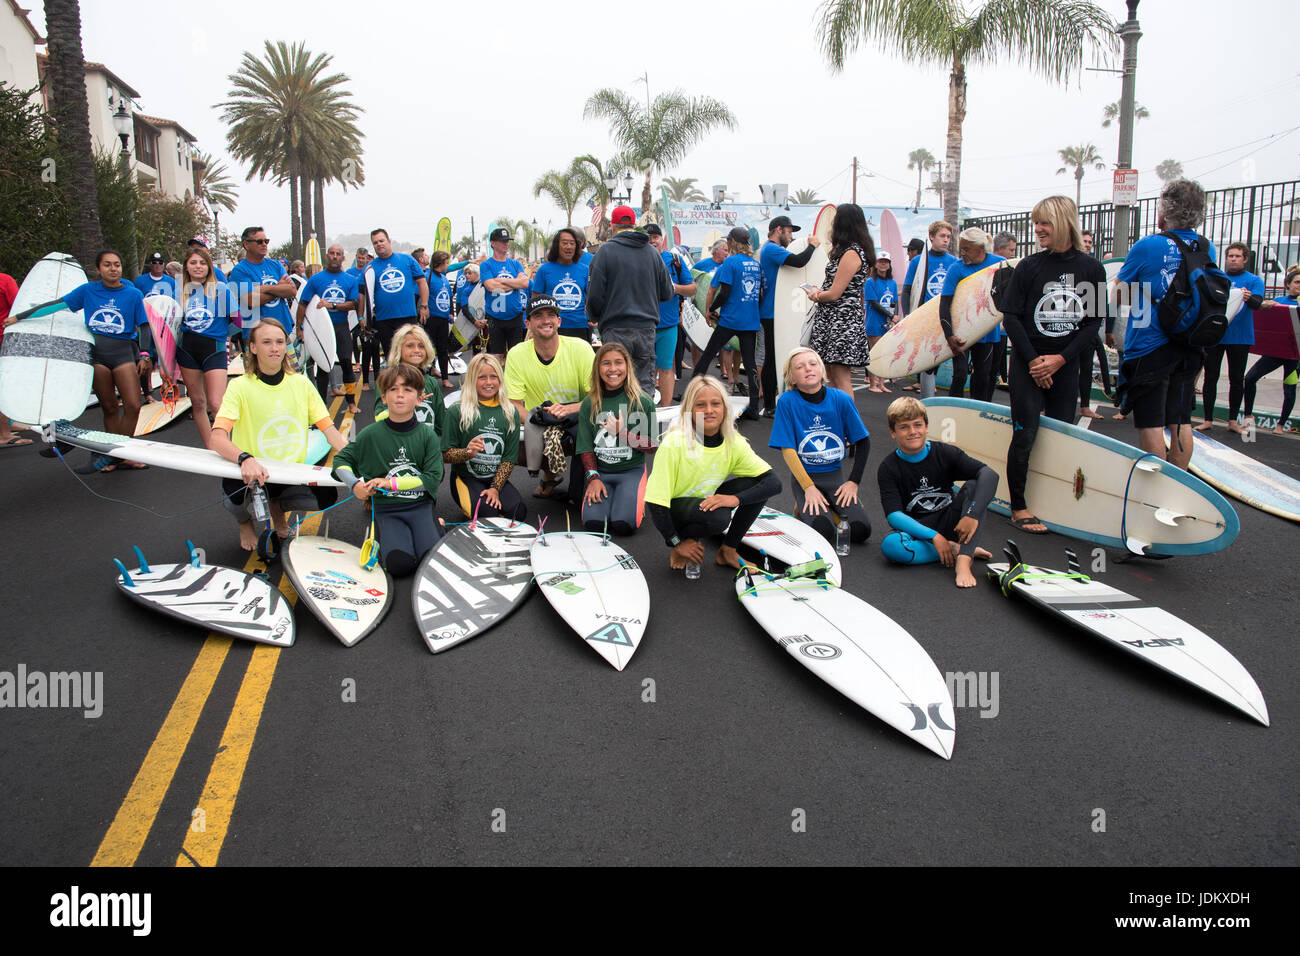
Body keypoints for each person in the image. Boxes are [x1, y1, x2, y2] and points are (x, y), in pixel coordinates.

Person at [1002, 195, 1106, 533]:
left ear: (1063, 222)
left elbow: (1093, 323)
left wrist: (1059, 360)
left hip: (1065, 365)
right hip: (1027, 362)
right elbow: (1011, 316)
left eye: (1044, 223)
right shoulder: (1029, 266)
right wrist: (1035, 362)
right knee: (1025, 432)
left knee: (1061, 437)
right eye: (1036, 223)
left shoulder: (1092, 268)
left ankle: (1053, 503)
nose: (1038, 229)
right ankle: (1019, 506)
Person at [210, 320, 347, 551]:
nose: (274, 348)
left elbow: (330, 432)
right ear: (253, 348)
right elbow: (216, 438)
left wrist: (360, 461)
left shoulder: (301, 383)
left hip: (288, 472)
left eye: (279, 342)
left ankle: (277, 508)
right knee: (233, 498)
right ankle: (244, 522)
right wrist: (245, 458)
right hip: (253, 474)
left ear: (286, 346)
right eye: (266, 342)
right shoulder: (240, 386)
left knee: (327, 496)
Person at [1113, 179, 1215, 469]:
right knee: (1181, 420)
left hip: (1150, 345)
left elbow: (1118, 294)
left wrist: (1148, 288)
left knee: (1151, 422)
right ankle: (1179, 482)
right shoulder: (1207, 247)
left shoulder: (1149, 245)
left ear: (1164, 210)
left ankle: (1157, 489)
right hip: (1190, 343)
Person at [645, 374, 780, 572]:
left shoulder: (733, 442)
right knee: (718, 517)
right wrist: (675, 542)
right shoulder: (674, 443)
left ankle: (728, 550)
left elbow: (774, 483)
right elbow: (655, 503)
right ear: (690, 411)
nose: (709, 410)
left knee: (757, 485)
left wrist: (734, 499)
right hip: (675, 510)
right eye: (701, 405)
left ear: (725, 408)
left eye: (715, 403)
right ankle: (685, 541)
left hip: (704, 503)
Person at [333, 362, 444, 577]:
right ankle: (388, 535)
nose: (400, 395)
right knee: (399, 565)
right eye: (393, 389)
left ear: (419, 398)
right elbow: (340, 461)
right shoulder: (369, 435)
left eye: (407, 389)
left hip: (419, 505)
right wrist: (354, 484)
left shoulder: (427, 436)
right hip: (388, 509)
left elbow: (431, 478)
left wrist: (389, 482)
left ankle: (437, 524)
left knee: (430, 562)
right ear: (384, 398)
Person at [877, 396, 996, 589]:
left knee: (975, 485)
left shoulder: (945, 453)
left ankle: (964, 560)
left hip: (952, 522)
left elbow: (990, 475)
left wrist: (972, 515)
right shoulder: (888, 467)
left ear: (926, 427)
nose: (913, 432)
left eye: (918, 425)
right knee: (891, 546)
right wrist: (935, 537)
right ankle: (957, 549)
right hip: (918, 529)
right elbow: (894, 515)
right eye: (904, 427)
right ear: (893, 432)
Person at [770, 346, 871, 547]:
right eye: (800, 367)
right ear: (791, 377)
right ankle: (803, 506)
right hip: (805, 478)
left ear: (822, 370)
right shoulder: (787, 401)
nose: (808, 369)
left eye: (813, 364)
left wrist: (853, 482)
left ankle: (831, 505)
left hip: (835, 477)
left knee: (861, 531)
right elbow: (788, 450)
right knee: (823, 532)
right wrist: (808, 488)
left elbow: (863, 441)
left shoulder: (841, 399)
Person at [62, 250, 151, 471]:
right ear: (98, 269)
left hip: (123, 353)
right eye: (108, 265)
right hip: (98, 355)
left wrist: (145, 354)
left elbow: (144, 326)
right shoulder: (88, 291)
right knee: (109, 407)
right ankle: (116, 455)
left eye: (117, 265)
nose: (113, 269)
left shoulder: (133, 294)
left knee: (133, 404)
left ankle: (115, 454)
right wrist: (21, 317)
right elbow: (58, 306)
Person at [506, 293, 595, 500]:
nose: (545, 320)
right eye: (538, 316)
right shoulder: (517, 354)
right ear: (527, 323)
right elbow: (513, 404)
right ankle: (549, 475)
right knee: (515, 446)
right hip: (539, 421)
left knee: (599, 425)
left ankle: (591, 480)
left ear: (559, 321)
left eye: (550, 315)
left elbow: (597, 397)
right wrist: (539, 421)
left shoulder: (580, 348)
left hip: (575, 419)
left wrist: (566, 411)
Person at [586, 204, 673, 396]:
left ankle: (616, 426)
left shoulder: (605, 252)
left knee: (614, 383)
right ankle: (643, 425)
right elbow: (668, 292)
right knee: (644, 386)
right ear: (634, 225)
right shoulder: (652, 253)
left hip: (615, 328)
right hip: (646, 329)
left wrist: (594, 315)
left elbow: (594, 296)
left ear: (613, 226)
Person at [578, 342, 659, 535]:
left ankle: (634, 497)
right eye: (606, 363)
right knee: (594, 525)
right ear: (598, 368)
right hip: (602, 472)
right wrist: (593, 478)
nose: (613, 369)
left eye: (618, 363)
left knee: (623, 524)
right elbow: (585, 447)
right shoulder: (589, 403)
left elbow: (652, 446)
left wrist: (622, 433)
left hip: (631, 471)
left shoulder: (643, 401)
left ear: (627, 366)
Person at [442, 353, 527, 521]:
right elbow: (446, 455)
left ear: (500, 379)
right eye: (482, 377)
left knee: (518, 512)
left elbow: (509, 459)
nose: (489, 382)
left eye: (493, 377)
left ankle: (493, 500)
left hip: (494, 478)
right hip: (466, 478)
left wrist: (495, 488)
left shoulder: (510, 412)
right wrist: (467, 453)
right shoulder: (456, 410)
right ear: (472, 379)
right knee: (487, 514)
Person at [695, 226, 763, 420]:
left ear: (732, 242)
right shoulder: (755, 264)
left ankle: (691, 396)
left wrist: (710, 310)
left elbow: (724, 292)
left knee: (708, 355)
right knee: (749, 363)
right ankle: (754, 408)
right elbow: (758, 295)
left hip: (730, 319)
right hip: (750, 321)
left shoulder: (730, 262)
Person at [806, 203, 874, 395]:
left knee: (840, 377)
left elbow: (836, 293)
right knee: (830, 375)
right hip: (834, 319)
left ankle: (846, 422)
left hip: (841, 320)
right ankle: (836, 418)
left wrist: (817, 295)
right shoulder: (847, 251)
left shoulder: (852, 253)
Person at [175, 246, 240, 447]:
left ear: (209, 266)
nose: (198, 266)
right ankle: (211, 447)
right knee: (198, 402)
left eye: (202, 263)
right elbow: (171, 327)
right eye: (193, 262)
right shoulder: (179, 291)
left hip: (214, 349)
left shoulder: (220, 289)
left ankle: (228, 444)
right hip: (187, 349)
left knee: (216, 403)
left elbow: (238, 321)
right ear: (186, 266)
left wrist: (222, 335)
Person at [1199, 242, 1266, 433]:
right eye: (1230, 256)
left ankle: (1232, 421)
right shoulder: (1218, 278)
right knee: (1210, 377)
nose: (1233, 259)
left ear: (1245, 259)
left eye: (1237, 256)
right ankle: (1208, 419)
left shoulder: (1254, 281)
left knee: (1237, 379)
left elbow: (1257, 304)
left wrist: (1248, 298)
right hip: (1216, 335)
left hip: (1240, 336)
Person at [758, 216, 822, 413]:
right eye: (789, 231)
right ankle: (769, 405)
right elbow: (798, 261)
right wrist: (812, 246)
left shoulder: (773, 249)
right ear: (779, 230)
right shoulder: (771, 248)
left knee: (780, 357)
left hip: (778, 312)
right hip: (772, 313)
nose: (791, 236)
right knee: (772, 359)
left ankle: (777, 401)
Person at [938, 227, 1005, 398]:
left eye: (967, 249)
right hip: (961, 331)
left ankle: (977, 414)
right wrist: (949, 335)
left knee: (983, 376)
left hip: (987, 331)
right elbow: (945, 304)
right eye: (962, 249)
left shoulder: (999, 264)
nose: (963, 253)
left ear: (981, 248)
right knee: (960, 374)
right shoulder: (956, 268)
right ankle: (953, 414)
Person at [296, 243, 361, 413]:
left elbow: (354, 304)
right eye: (331, 253)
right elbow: (303, 304)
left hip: (341, 327)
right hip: (321, 329)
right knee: (324, 366)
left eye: (338, 254)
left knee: (347, 364)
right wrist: (299, 328)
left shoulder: (350, 280)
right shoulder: (316, 279)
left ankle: (351, 402)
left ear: (343, 257)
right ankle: (322, 405)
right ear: (327, 256)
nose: (334, 256)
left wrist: (331, 305)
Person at [901, 221, 959, 396]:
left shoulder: (954, 262)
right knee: (927, 362)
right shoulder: (918, 261)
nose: (946, 240)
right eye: (942, 236)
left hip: (946, 319)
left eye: (948, 237)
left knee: (947, 362)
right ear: (931, 237)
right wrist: (909, 316)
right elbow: (907, 291)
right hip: (925, 319)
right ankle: (928, 400)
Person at [1242, 268, 1300, 435]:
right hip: (1275, 352)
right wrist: (1265, 305)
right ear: (1288, 284)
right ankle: (1248, 416)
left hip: (1295, 356)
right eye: (1296, 282)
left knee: (1289, 389)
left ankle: (1281, 425)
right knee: (1250, 378)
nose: (1299, 286)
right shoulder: (1278, 300)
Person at [648, 223, 696, 407]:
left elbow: (692, 288)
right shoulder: (638, 259)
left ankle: (665, 411)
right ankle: (646, 410)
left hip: (668, 326)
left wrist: (673, 288)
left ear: (662, 240)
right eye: (648, 238)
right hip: (644, 325)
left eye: (655, 237)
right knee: (645, 371)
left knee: (666, 369)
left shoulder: (674, 260)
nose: (652, 241)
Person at [360, 228, 428, 355]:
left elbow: (422, 282)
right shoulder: (370, 267)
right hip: (384, 320)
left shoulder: (407, 259)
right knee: (391, 358)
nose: (379, 244)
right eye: (375, 243)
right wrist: (362, 317)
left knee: (411, 355)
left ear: (389, 241)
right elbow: (362, 292)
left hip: (407, 317)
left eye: (381, 240)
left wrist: (424, 305)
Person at [376, 324, 446, 438]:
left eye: (421, 346)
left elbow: (441, 424)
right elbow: (379, 418)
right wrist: (408, 406)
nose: (416, 350)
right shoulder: (387, 380)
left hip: (427, 450)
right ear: (398, 349)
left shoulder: (431, 383)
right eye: (410, 346)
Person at [229, 226, 296, 336]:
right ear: (246, 244)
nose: (264, 244)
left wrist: (265, 288)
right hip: (255, 333)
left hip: (283, 329)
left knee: (289, 354)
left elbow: (292, 290)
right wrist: (278, 290)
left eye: (266, 241)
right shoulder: (240, 270)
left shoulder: (276, 265)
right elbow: (251, 300)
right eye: (259, 242)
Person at [531, 228, 591, 342]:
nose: (568, 246)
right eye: (564, 243)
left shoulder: (585, 270)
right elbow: (534, 301)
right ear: (556, 246)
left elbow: (591, 298)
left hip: (579, 327)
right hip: (552, 328)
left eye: (572, 243)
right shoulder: (544, 270)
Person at [479, 227, 529, 361]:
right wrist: (514, 282)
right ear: (493, 243)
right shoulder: (486, 265)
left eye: (507, 241)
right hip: (495, 316)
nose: (506, 244)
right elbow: (490, 286)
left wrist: (502, 280)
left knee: (516, 354)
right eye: (502, 241)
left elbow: (524, 283)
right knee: (497, 356)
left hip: (515, 315)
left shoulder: (515, 264)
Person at [0, 269, 29, 447]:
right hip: (4, 340)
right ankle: (3, 435)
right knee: (4, 386)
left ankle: (8, 425)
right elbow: (20, 310)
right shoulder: (4, 280)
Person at [863, 251, 898, 393]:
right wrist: (890, 315)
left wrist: (894, 317)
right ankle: (873, 384)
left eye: (886, 261)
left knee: (885, 354)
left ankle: (882, 383)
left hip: (887, 323)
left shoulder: (892, 282)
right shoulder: (870, 282)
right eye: (881, 261)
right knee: (874, 354)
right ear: (876, 264)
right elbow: (874, 303)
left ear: (889, 265)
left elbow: (894, 302)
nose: (883, 264)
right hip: (874, 322)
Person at [427, 250, 455, 387]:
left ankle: (445, 378)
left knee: (443, 349)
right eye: (447, 262)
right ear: (441, 262)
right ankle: (427, 377)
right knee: (429, 349)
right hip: (431, 319)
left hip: (443, 320)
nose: (448, 264)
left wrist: (451, 313)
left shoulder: (444, 278)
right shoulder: (428, 276)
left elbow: (449, 297)